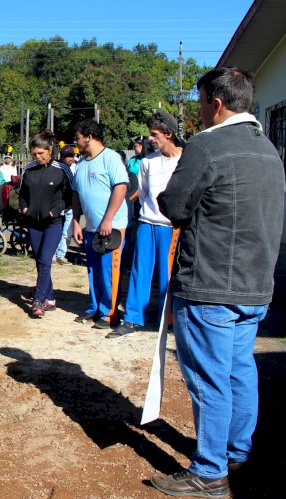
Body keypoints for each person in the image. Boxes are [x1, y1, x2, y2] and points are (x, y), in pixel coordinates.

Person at [151, 67, 285, 498]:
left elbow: (174, 204)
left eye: (201, 101)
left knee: (209, 378)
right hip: (256, 281)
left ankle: (210, 471)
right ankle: (236, 453)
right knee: (239, 371)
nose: (199, 111)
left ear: (217, 103)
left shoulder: (209, 146)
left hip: (209, 281)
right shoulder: (269, 150)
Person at [108, 112, 183, 338]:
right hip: (147, 224)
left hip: (172, 227)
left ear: (169, 134)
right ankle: (133, 318)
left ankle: (167, 319)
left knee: (168, 275)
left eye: (154, 134)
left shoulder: (185, 160)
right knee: (140, 272)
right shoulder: (147, 162)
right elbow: (144, 194)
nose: (150, 139)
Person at [71, 119, 129, 329]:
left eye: (78, 137)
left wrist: (108, 218)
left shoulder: (110, 158)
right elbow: (76, 195)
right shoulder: (82, 163)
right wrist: (76, 223)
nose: (76, 141)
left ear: (89, 136)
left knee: (109, 271)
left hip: (111, 227)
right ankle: (94, 308)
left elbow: (121, 187)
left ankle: (111, 312)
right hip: (91, 227)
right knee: (93, 269)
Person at [19, 131, 73, 317]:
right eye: (34, 154)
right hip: (33, 222)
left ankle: (38, 300)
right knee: (39, 260)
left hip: (54, 223)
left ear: (50, 150)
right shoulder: (28, 169)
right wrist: (25, 208)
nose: (38, 157)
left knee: (45, 259)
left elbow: (69, 196)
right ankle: (50, 297)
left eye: (41, 153)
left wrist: (55, 211)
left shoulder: (62, 169)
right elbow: (22, 194)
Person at [54, 145, 78, 264]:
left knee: (67, 232)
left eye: (71, 156)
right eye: (67, 156)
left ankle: (60, 255)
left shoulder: (74, 167)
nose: (70, 158)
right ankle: (53, 255)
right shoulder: (56, 168)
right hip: (58, 205)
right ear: (61, 157)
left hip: (69, 205)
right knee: (55, 231)